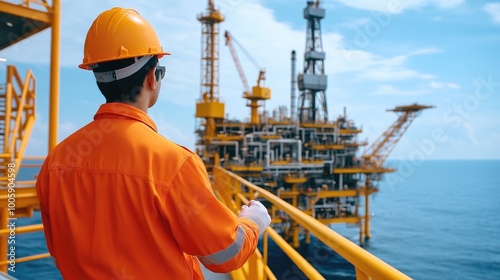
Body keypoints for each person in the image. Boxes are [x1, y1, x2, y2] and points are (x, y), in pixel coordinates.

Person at [35, 7, 271, 279]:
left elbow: (59, 254)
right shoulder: (173, 163)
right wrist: (253, 222)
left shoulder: (55, 162)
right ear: (151, 77)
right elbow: (224, 254)